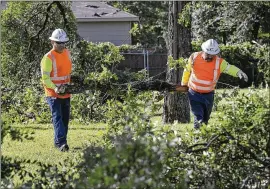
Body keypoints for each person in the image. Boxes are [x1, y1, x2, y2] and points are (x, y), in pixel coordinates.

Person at [181, 39, 248, 129]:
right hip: (194, 93)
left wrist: (239, 72)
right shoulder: (194, 57)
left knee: (206, 118)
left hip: (209, 95)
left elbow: (229, 68)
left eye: (211, 55)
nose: (209, 56)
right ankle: (197, 136)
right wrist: (184, 84)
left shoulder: (219, 62)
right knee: (198, 117)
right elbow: (187, 70)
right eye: (207, 54)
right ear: (203, 50)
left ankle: (203, 136)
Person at [40, 29, 72, 151]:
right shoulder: (48, 58)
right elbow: (45, 79)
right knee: (57, 118)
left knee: (65, 119)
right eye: (59, 43)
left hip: (66, 92)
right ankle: (62, 144)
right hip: (53, 93)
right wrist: (55, 88)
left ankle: (58, 142)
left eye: (64, 42)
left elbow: (67, 72)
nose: (62, 45)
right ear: (52, 42)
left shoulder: (67, 53)